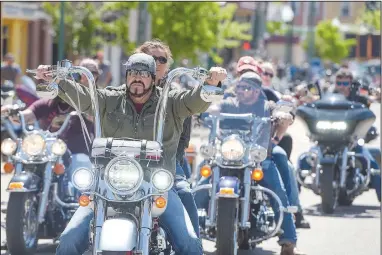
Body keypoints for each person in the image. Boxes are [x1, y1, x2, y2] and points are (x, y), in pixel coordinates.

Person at [36, 52, 227, 255]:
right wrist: (55, 79)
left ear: (154, 78)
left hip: (155, 187)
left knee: (189, 243)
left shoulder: (171, 102)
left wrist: (211, 84)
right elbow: (83, 97)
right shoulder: (109, 98)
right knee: (68, 240)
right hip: (105, 186)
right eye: (132, 73)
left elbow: (195, 101)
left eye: (144, 74)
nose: (137, 78)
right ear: (126, 76)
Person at [111, 39, 200, 236]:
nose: (157, 62)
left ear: (167, 65)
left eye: (162, 59)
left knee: (184, 192)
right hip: (124, 165)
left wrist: (170, 160)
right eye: (152, 58)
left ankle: (195, 244)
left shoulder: (175, 95)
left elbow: (184, 137)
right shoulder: (124, 91)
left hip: (166, 162)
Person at [212, 72, 302, 255]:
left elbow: (282, 114)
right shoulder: (229, 104)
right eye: (240, 87)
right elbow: (214, 108)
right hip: (228, 158)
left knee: (278, 192)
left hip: (259, 160)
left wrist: (284, 117)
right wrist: (204, 111)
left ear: (257, 91)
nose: (243, 91)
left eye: (248, 88)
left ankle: (289, 241)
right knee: (199, 187)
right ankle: (191, 234)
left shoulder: (267, 106)